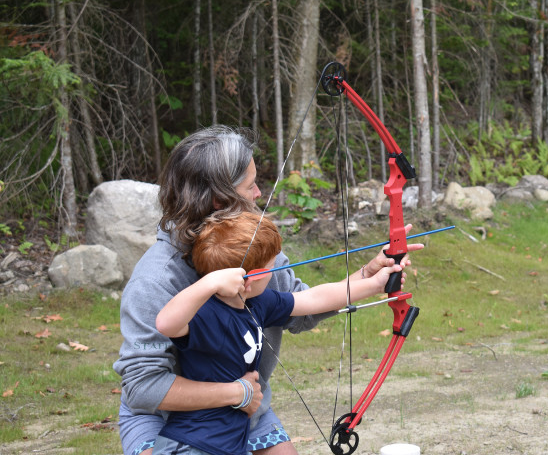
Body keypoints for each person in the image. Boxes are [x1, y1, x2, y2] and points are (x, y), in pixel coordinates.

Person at [114, 125, 422, 455]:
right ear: (221, 199)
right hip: (168, 419)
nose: (260, 193)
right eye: (250, 186)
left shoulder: (256, 247)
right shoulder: (156, 279)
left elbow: (303, 307)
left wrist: (369, 277)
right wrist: (237, 393)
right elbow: (143, 386)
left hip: (246, 411)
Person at [151, 211, 403, 455]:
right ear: (250, 280)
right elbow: (165, 323)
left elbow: (315, 298)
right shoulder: (205, 314)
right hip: (190, 445)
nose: (274, 273)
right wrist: (210, 283)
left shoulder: (259, 303)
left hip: (228, 444)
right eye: (271, 266)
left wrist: (374, 282)